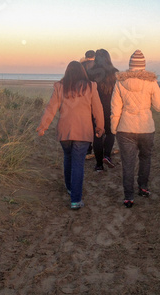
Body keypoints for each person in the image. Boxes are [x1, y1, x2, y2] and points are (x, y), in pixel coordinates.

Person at [37, 61, 104, 209]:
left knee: (68, 158)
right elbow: (98, 110)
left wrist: (43, 126)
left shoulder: (61, 87)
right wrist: (100, 127)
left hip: (65, 132)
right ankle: (75, 199)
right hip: (83, 131)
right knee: (78, 164)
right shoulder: (91, 87)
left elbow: (51, 108)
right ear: (82, 72)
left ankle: (70, 188)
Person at [110, 50, 160, 208]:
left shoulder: (120, 82)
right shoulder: (151, 82)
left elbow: (115, 109)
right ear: (143, 66)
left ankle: (128, 197)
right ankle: (143, 187)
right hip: (146, 128)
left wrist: (114, 129)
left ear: (130, 66)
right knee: (145, 158)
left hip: (125, 128)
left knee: (128, 163)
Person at [87, 49, 119, 172]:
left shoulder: (91, 73)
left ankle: (99, 165)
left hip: (95, 108)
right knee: (111, 133)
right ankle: (107, 156)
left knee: (97, 135)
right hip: (111, 107)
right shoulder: (115, 73)